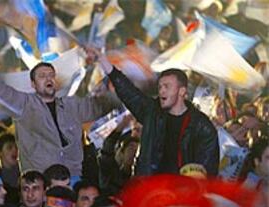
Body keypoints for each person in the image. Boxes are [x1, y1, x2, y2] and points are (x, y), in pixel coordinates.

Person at [0, 49, 121, 177]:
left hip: (72, 177)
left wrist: (118, 87)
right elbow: (2, 92)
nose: (48, 78)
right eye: (42, 76)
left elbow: (100, 106)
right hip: (41, 181)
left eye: (51, 75)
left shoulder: (71, 105)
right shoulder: (25, 104)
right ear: (33, 84)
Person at [88, 47, 219, 175]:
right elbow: (128, 91)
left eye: (167, 87)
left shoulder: (202, 126)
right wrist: (103, 60)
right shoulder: (151, 112)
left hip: (181, 193)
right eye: (160, 86)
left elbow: (208, 170)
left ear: (182, 91)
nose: (161, 90)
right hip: (147, 189)